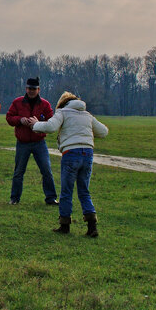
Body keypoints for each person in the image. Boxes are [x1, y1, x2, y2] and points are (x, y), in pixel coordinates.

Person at [33, 91, 109, 237]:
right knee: (84, 191)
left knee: (66, 191)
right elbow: (104, 132)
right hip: (87, 153)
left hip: (70, 153)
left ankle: (65, 225)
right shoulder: (87, 115)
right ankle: (92, 227)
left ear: (62, 103)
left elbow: (50, 127)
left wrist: (35, 124)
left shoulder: (63, 112)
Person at [5, 77, 57, 206]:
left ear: (38, 89)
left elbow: (52, 122)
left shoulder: (45, 104)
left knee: (46, 170)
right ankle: (14, 198)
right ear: (26, 89)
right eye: (29, 88)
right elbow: (9, 118)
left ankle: (51, 198)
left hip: (39, 142)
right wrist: (20, 120)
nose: (31, 91)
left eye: (34, 89)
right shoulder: (17, 102)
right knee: (18, 172)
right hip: (22, 143)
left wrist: (38, 124)